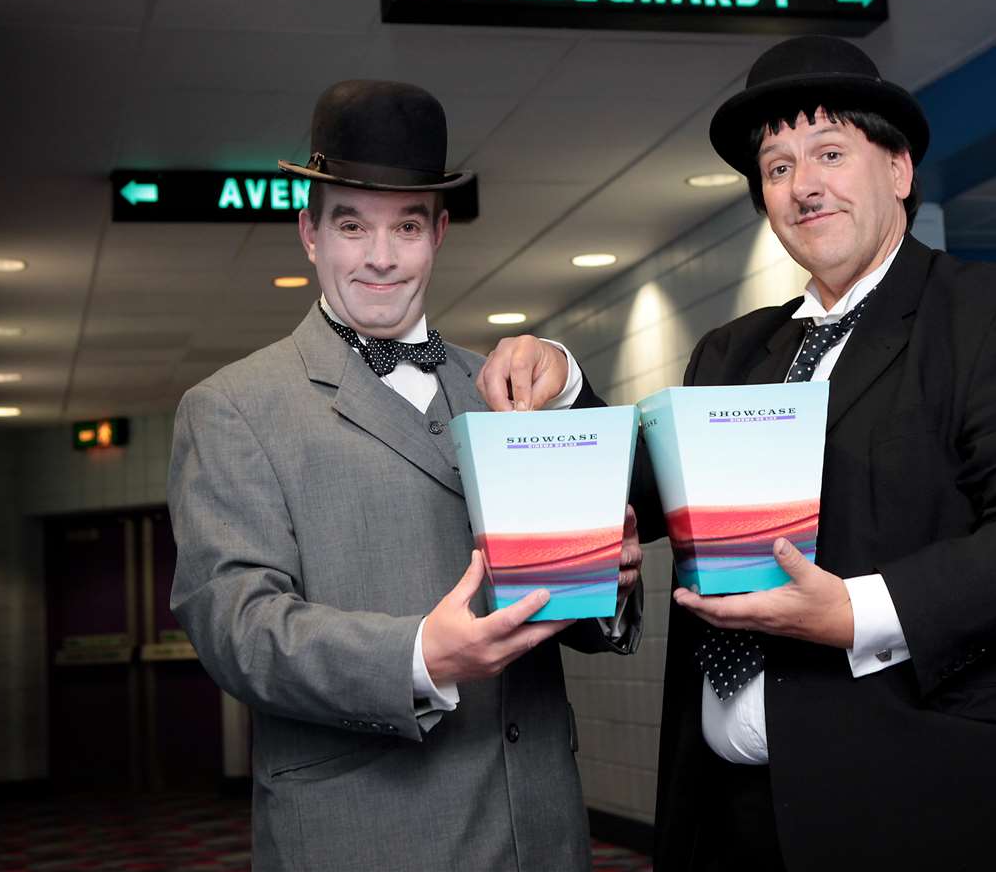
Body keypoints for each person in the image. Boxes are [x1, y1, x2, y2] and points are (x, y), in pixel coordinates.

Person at [634, 36, 996, 870]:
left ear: (897, 170)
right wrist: (561, 387)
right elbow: (647, 492)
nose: (801, 184)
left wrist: (856, 614)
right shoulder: (729, 355)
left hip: (932, 814)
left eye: (828, 153)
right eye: (776, 168)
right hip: (736, 821)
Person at [168, 80, 642, 871]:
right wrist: (421, 655)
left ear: (439, 234)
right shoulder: (232, 407)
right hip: (368, 833)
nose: (381, 257)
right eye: (352, 225)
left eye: (407, 227)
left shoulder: (504, 387)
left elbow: (557, 600)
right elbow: (237, 628)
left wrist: (606, 582)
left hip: (542, 831)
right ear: (310, 234)